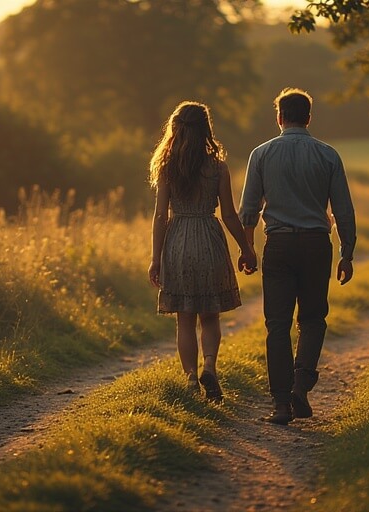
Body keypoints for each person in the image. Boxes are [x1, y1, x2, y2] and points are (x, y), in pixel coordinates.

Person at [239, 88, 356, 424]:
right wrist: (347, 252)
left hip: (278, 246)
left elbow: (249, 209)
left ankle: (280, 404)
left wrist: (248, 248)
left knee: (277, 325)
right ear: (309, 117)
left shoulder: (260, 154)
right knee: (313, 319)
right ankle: (301, 386)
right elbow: (343, 210)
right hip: (317, 245)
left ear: (279, 117)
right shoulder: (328, 155)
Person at [149, 100, 257, 402]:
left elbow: (160, 216)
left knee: (184, 318)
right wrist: (246, 248)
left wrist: (155, 259)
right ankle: (210, 364)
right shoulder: (218, 168)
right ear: (206, 129)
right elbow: (229, 215)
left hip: (178, 241)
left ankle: (191, 381)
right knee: (210, 317)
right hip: (210, 240)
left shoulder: (167, 167)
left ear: (176, 128)